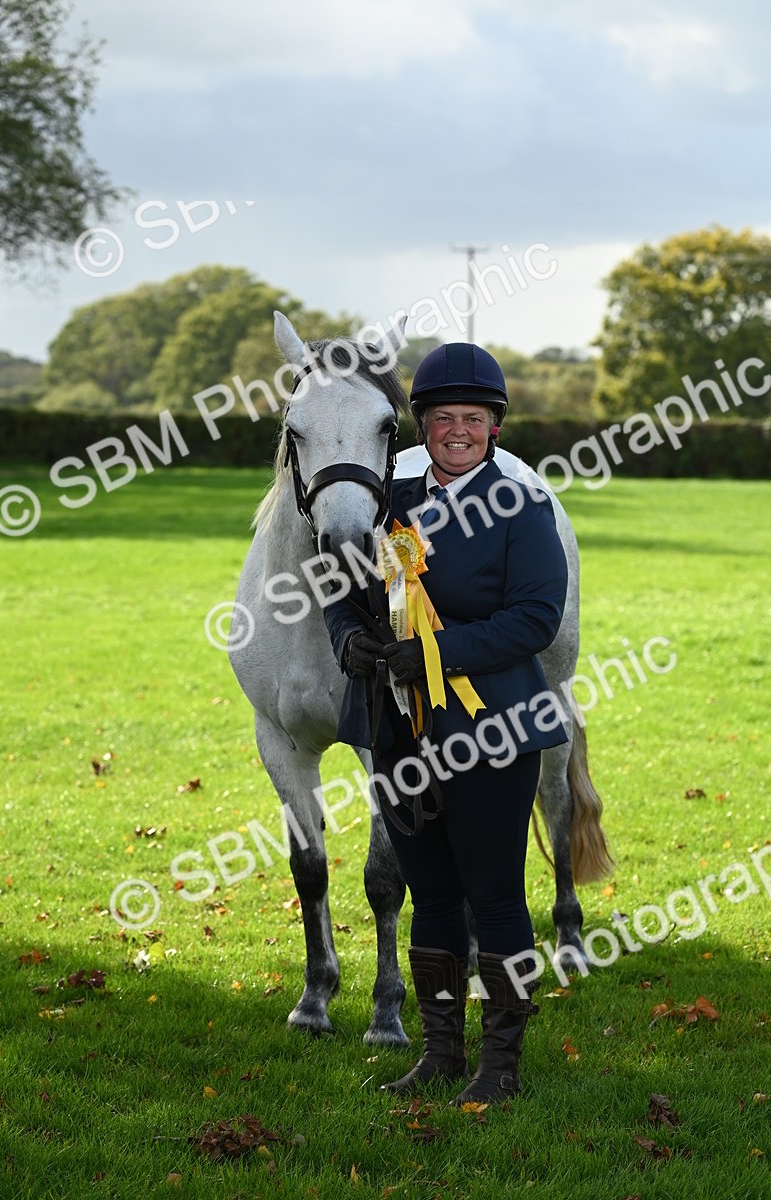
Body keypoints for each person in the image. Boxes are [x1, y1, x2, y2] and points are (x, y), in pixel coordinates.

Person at [324, 342, 569, 1105]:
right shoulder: (388, 500)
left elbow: (534, 618)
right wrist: (348, 636)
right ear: (421, 426)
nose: (456, 430)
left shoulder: (523, 506)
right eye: (441, 418)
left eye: (472, 418)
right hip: (399, 730)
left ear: (493, 427)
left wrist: (432, 652)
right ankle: (440, 1054)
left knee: (493, 896)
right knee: (429, 892)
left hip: (491, 728)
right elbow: (344, 584)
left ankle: (502, 1064)